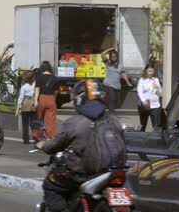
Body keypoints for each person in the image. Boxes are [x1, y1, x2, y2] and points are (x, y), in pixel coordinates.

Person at [36, 79, 122, 212]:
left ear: (79, 99)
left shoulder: (75, 122)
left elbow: (53, 145)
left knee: (50, 185)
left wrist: (42, 145)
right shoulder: (113, 120)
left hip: (81, 174)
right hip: (112, 172)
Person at [101, 48, 132, 113]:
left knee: (117, 101)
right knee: (112, 99)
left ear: (117, 57)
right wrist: (109, 50)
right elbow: (102, 54)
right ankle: (111, 115)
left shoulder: (120, 65)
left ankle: (105, 104)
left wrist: (127, 82)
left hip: (117, 85)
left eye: (114, 57)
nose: (113, 58)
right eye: (112, 57)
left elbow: (123, 73)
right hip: (108, 84)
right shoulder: (108, 62)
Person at [34, 61, 59, 138]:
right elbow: (56, 91)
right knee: (51, 120)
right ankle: (50, 137)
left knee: (39, 117)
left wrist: (35, 100)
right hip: (51, 98)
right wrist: (53, 99)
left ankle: (38, 135)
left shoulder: (39, 77)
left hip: (41, 98)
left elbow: (37, 89)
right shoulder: (54, 78)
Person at [137, 64, 162, 132]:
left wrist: (157, 88)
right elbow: (139, 91)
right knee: (143, 124)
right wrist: (143, 101)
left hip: (155, 105)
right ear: (146, 71)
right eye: (149, 71)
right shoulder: (142, 80)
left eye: (152, 71)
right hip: (145, 105)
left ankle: (157, 139)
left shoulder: (156, 80)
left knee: (156, 125)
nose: (151, 73)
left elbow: (160, 94)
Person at [16, 72, 36, 144]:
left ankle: (25, 139)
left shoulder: (23, 87)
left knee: (25, 123)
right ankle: (35, 137)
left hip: (25, 104)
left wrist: (18, 107)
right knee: (33, 122)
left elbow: (21, 97)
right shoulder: (34, 85)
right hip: (33, 104)